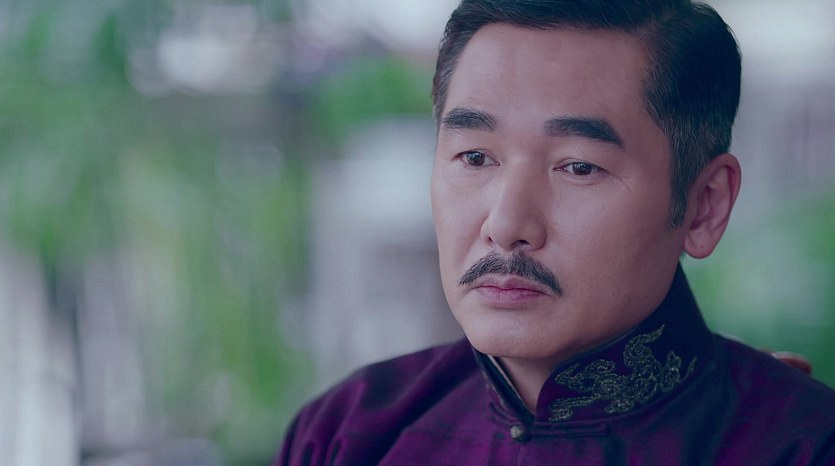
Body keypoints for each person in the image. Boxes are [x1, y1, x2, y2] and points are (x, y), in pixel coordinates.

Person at [277, 1, 835, 464]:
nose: (506, 226)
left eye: (579, 167)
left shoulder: (800, 445)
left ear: (704, 206)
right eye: (475, 157)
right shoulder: (346, 434)